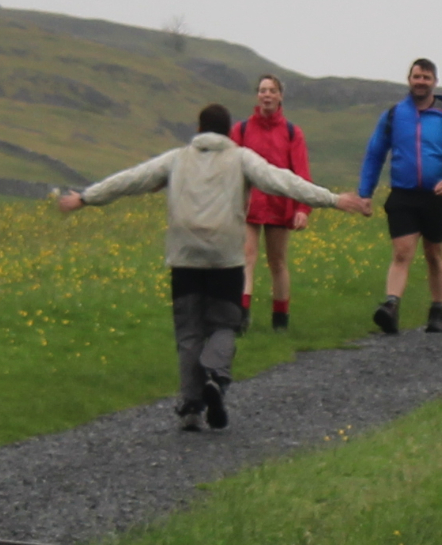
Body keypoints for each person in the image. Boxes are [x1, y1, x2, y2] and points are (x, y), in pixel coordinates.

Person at [56, 105, 370, 429]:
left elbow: (132, 179)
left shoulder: (176, 158)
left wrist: (86, 198)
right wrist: (332, 199)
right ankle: (215, 378)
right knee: (224, 323)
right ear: (228, 130)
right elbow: (282, 181)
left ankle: (191, 407)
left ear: (199, 129)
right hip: (225, 256)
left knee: (189, 331)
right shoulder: (241, 158)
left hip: (184, 255)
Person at [352, 56, 442, 334]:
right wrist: (365, 193)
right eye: (417, 77)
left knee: (434, 253)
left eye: (426, 78)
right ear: (409, 80)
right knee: (402, 252)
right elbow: (374, 155)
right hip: (403, 194)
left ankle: (437, 309)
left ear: (435, 82)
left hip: (436, 195)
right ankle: (391, 306)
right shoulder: (394, 115)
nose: (421, 82)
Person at [234, 73, 316, 331]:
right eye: (262, 90)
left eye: (271, 90)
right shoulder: (241, 130)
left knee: (277, 261)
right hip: (249, 204)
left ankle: (280, 318)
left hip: (280, 205)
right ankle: (242, 316)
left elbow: (301, 172)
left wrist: (303, 208)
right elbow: (231, 167)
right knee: (246, 256)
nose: (266, 95)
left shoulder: (292, 133)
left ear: (280, 96)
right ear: (257, 96)